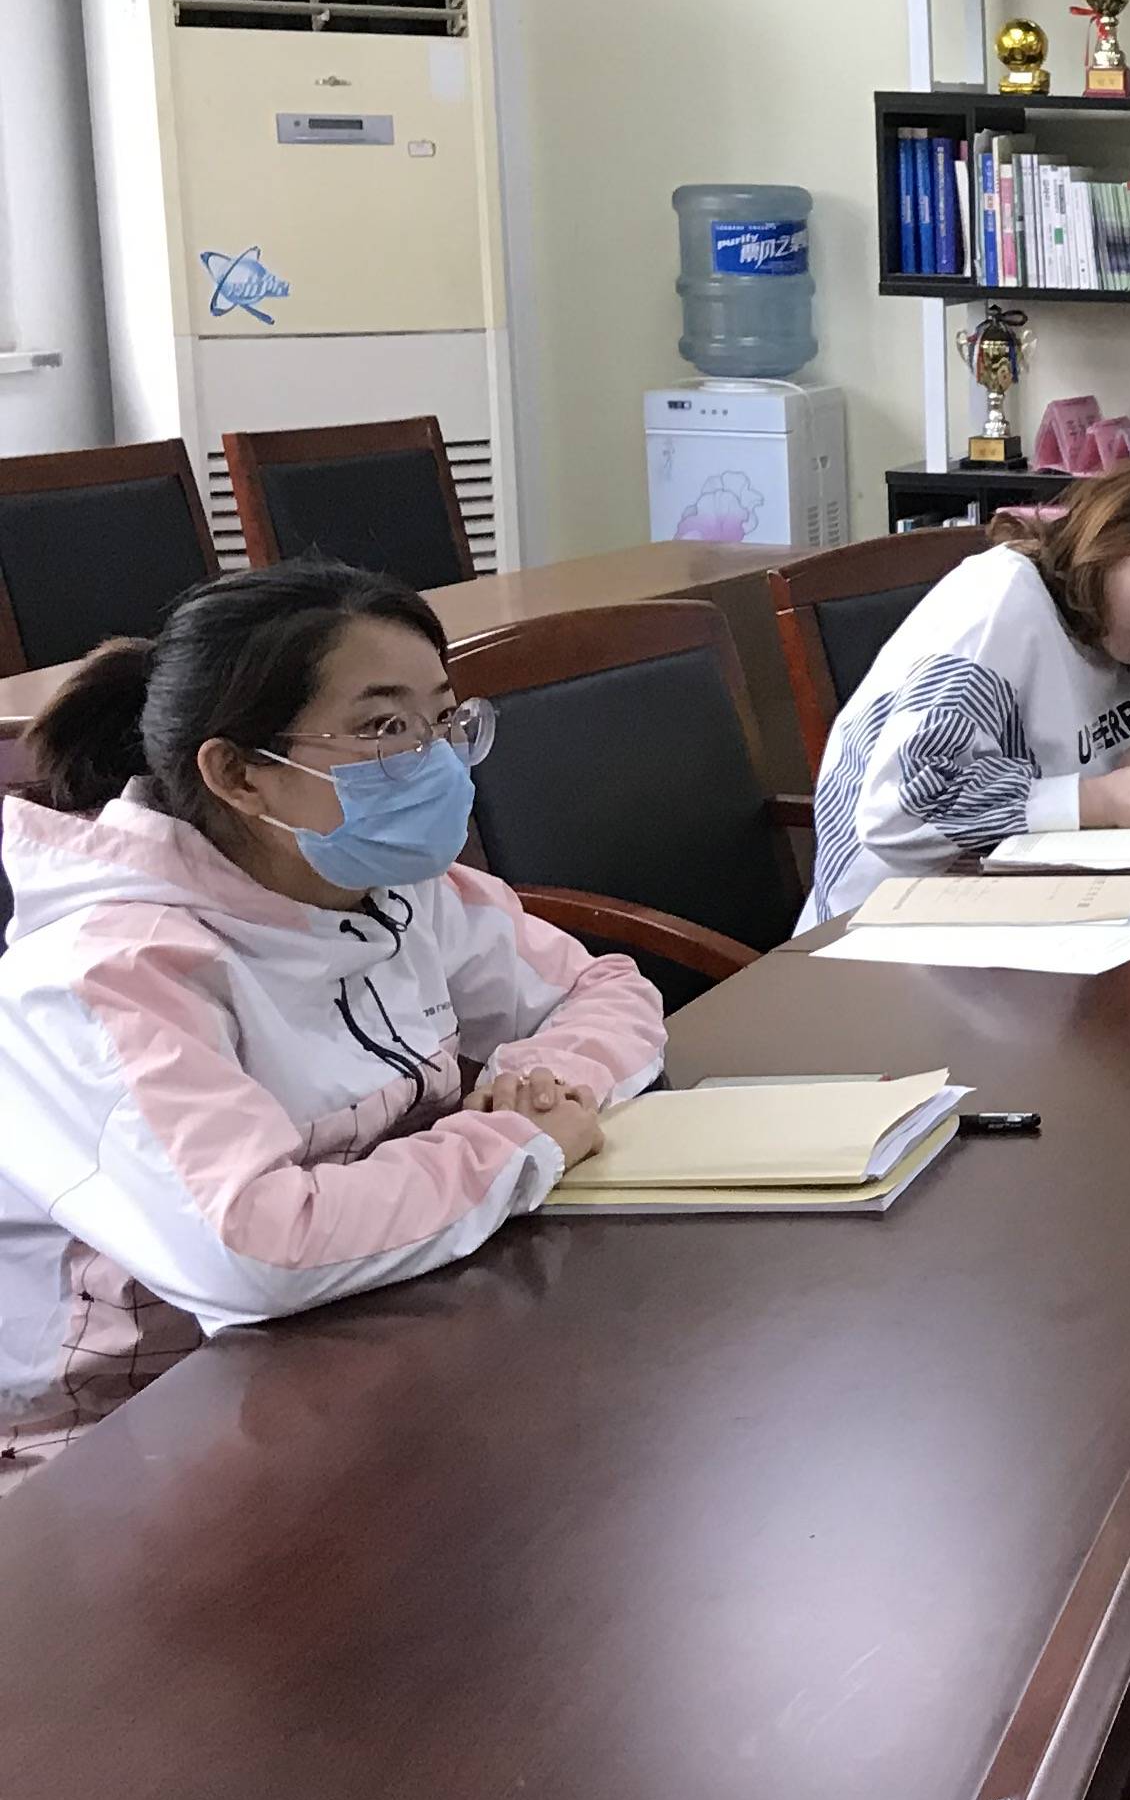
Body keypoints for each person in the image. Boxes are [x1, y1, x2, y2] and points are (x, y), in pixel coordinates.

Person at [0, 563, 667, 1479]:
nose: (435, 761)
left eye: (444, 721)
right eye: (384, 729)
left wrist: (546, 1088)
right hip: (113, 1444)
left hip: (361, 1344)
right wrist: (513, 1143)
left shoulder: (386, 886)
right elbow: (256, 1250)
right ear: (240, 774)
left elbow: (606, 992)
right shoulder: (105, 977)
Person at [804, 438, 1130, 923]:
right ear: (1123, 528)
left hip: (1036, 906)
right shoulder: (1002, 604)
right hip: (885, 927)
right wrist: (1097, 799)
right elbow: (902, 808)